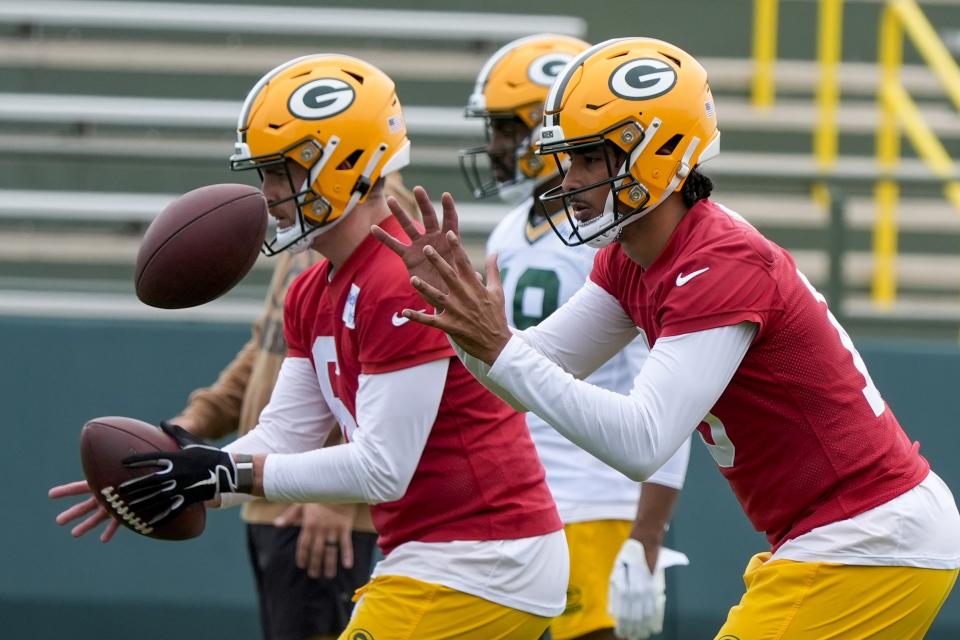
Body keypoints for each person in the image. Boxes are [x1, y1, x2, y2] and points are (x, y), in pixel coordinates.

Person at [373, 37, 960, 639]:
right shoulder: (631, 257)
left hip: (868, 535)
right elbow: (525, 379)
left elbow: (642, 440)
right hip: (845, 536)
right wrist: (464, 323)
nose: (566, 181)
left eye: (587, 160)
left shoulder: (719, 261)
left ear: (654, 154)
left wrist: (499, 347)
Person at [50, 54, 567, 640]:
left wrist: (223, 474)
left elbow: (382, 469)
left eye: (283, 172)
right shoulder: (309, 290)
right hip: (442, 557)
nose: (267, 195)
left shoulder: (399, 276)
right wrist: (181, 475)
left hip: (482, 556)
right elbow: (284, 436)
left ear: (347, 164)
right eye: (264, 173)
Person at [460, 33, 690, 640]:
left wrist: (647, 535)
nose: (495, 146)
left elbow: (672, 399)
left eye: (509, 129)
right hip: (522, 498)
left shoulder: (615, 235)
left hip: (597, 499)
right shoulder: (511, 230)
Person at [159, 170, 415, 640]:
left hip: (324, 504)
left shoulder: (365, 210)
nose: (267, 192)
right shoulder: (305, 243)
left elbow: (367, 375)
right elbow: (266, 348)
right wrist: (195, 429)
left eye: (279, 171)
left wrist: (333, 498)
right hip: (270, 491)